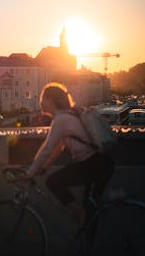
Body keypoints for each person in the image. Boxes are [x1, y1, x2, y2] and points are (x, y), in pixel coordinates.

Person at [18, 82, 114, 228]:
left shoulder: (61, 119)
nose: (40, 102)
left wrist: (30, 173)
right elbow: (59, 148)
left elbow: (46, 149)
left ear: (50, 100)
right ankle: (86, 244)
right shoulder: (69, 115)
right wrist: (44, 166)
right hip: (98, 163)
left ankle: (81, 215)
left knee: (54, 182)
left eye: (42, 98)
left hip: (94, 164)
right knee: (90, 218)